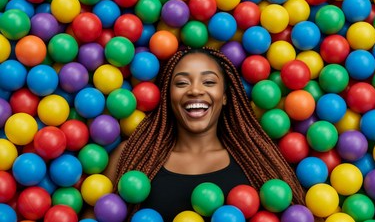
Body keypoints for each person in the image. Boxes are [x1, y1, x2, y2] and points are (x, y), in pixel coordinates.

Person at [103, 47, 312, 221]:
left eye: (209, 82)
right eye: (182, 83)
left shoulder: (259, 159)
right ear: (168, 95)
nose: (195, 90)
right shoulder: (132, 156)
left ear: (224, 97)